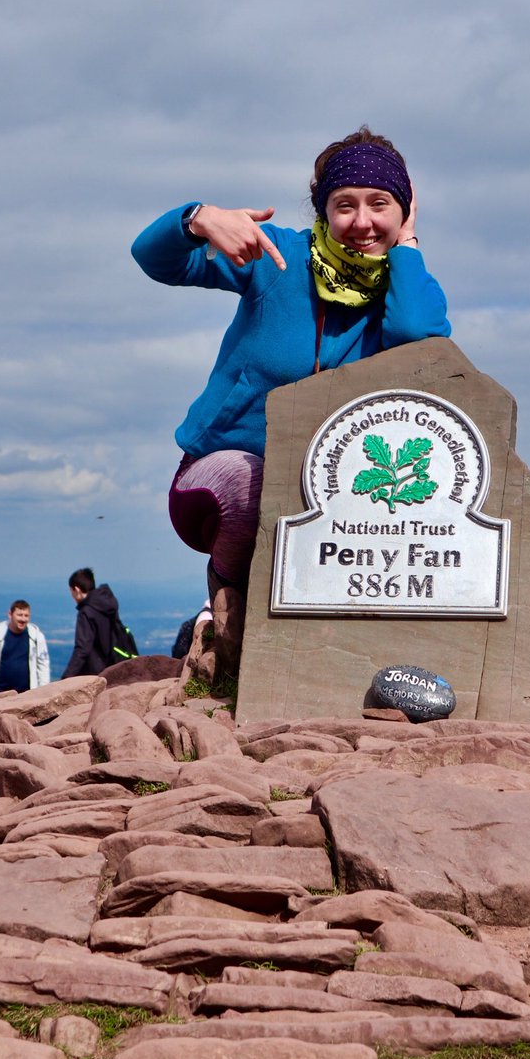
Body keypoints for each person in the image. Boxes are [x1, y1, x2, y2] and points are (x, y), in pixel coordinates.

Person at [131, 126, 450, 669]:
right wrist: (197, 219)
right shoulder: (278, 256)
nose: (362, 221)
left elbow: (416, 334)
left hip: (325, 499)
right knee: (250, 483)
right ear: (323, 211)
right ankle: (225, 605)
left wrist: (409, 247)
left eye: (380, 204)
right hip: (221, 484)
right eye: (344, 205)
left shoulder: (406, 283)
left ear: (405, 211)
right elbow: (154, 258)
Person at [62, 568, 123, 678]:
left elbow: (82, 649)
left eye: (71, 591)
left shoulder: (86, 612)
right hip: (113, 666)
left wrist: (66, 678)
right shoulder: (106, 605)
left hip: (94, 673)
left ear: (77, 590)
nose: (72, 595)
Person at [0, 599, 51, 695]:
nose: (23, 619)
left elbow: (43, 664)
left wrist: (43, 691)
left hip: (27, 694)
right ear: (10, 614)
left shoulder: (37, 637)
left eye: (26, 616)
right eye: (19, 615)